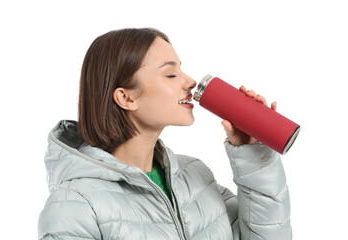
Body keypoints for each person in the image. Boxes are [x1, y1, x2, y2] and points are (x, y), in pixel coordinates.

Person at [38, 28, 291, 240]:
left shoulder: (195, 176)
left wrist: (252, 153)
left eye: (181, 69)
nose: (190, 81)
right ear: (126, 97)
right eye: (171, 73)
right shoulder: (75, 205)